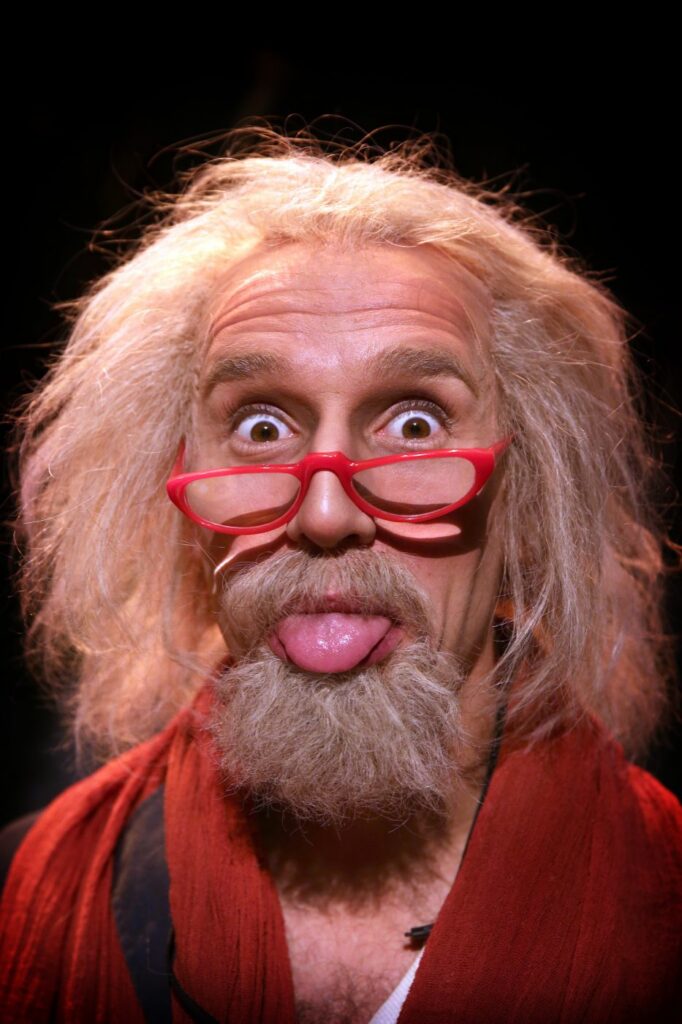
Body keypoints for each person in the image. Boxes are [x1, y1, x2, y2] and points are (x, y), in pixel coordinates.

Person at [1, 130, 680, 1024]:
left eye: (414, 424)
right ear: (177, 497)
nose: (325, 516)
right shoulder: (36, 892)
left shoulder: (664, 902)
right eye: (260, 428)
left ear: (527, 491)